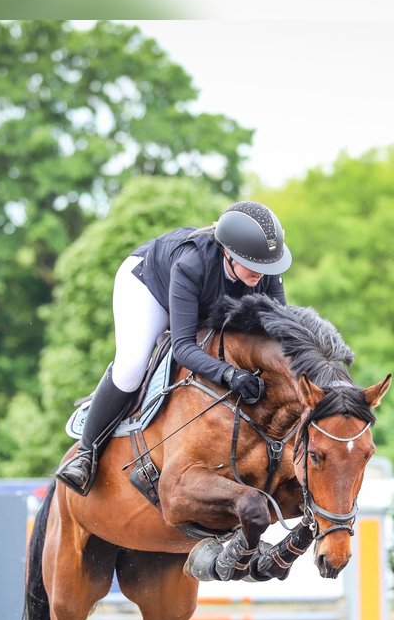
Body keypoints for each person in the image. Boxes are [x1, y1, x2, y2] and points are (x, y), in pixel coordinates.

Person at [56, 200, 293, 495]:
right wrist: (231, 375)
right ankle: (86, 454)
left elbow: (280, 335)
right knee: (131, 367)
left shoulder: (264, 270)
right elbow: (182, 347)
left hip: (205, 301)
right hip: (149, 288)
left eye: (268, 265)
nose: (262, 273)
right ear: (228, 253)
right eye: (254, 265)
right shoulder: (191, 263)